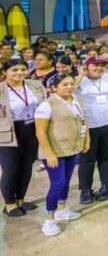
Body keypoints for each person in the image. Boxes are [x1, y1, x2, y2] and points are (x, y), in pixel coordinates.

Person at [34, 74, 88, 236]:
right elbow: (40, 132)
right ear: (54, 87)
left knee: (66, 181)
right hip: (54, 152)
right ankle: (49, 220)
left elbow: (84, 121)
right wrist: (49, 154)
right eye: (65, 84)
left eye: (72, 83)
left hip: (72, 149)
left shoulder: (77, 100)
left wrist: (87, 139)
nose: (70, 87)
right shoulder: (47, 105)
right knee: (58, 184)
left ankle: (62, 210)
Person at [75, 56, 108, 204]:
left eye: (102, 65)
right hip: (88, 127)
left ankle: (106, 185)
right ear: (86, 66)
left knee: (106, 156)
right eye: (95, 65)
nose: (99, 68)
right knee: (87, 159)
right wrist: (80, 75)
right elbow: (68, 92)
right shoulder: (79, 80)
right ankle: (86, 190)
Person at [0, 59, 47, 217]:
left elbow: (44, 104)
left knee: (26, 168)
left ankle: (20, 200)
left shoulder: (35, 85)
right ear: (5, 72)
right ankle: (9, 204)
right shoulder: (1, 89)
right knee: (10, 170)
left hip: (32, 130)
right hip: (8, 133)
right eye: (14, 70)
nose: (19, 72)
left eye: (23, 69)